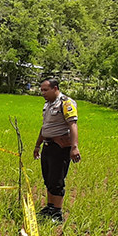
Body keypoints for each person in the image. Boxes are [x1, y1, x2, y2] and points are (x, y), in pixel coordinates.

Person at [32, 77, 81, 222]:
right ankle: (50, 207)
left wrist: (74, 147)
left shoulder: (66, 103)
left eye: (45, 90)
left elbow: (73, 125)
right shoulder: (47, 105)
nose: (43, 93)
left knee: (57, 180)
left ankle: (57, 213)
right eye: (41, 90)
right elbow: (45, 127)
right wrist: (37, 145)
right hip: (48, 146)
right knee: (48, 178)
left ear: (55, 88)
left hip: (60, 147)